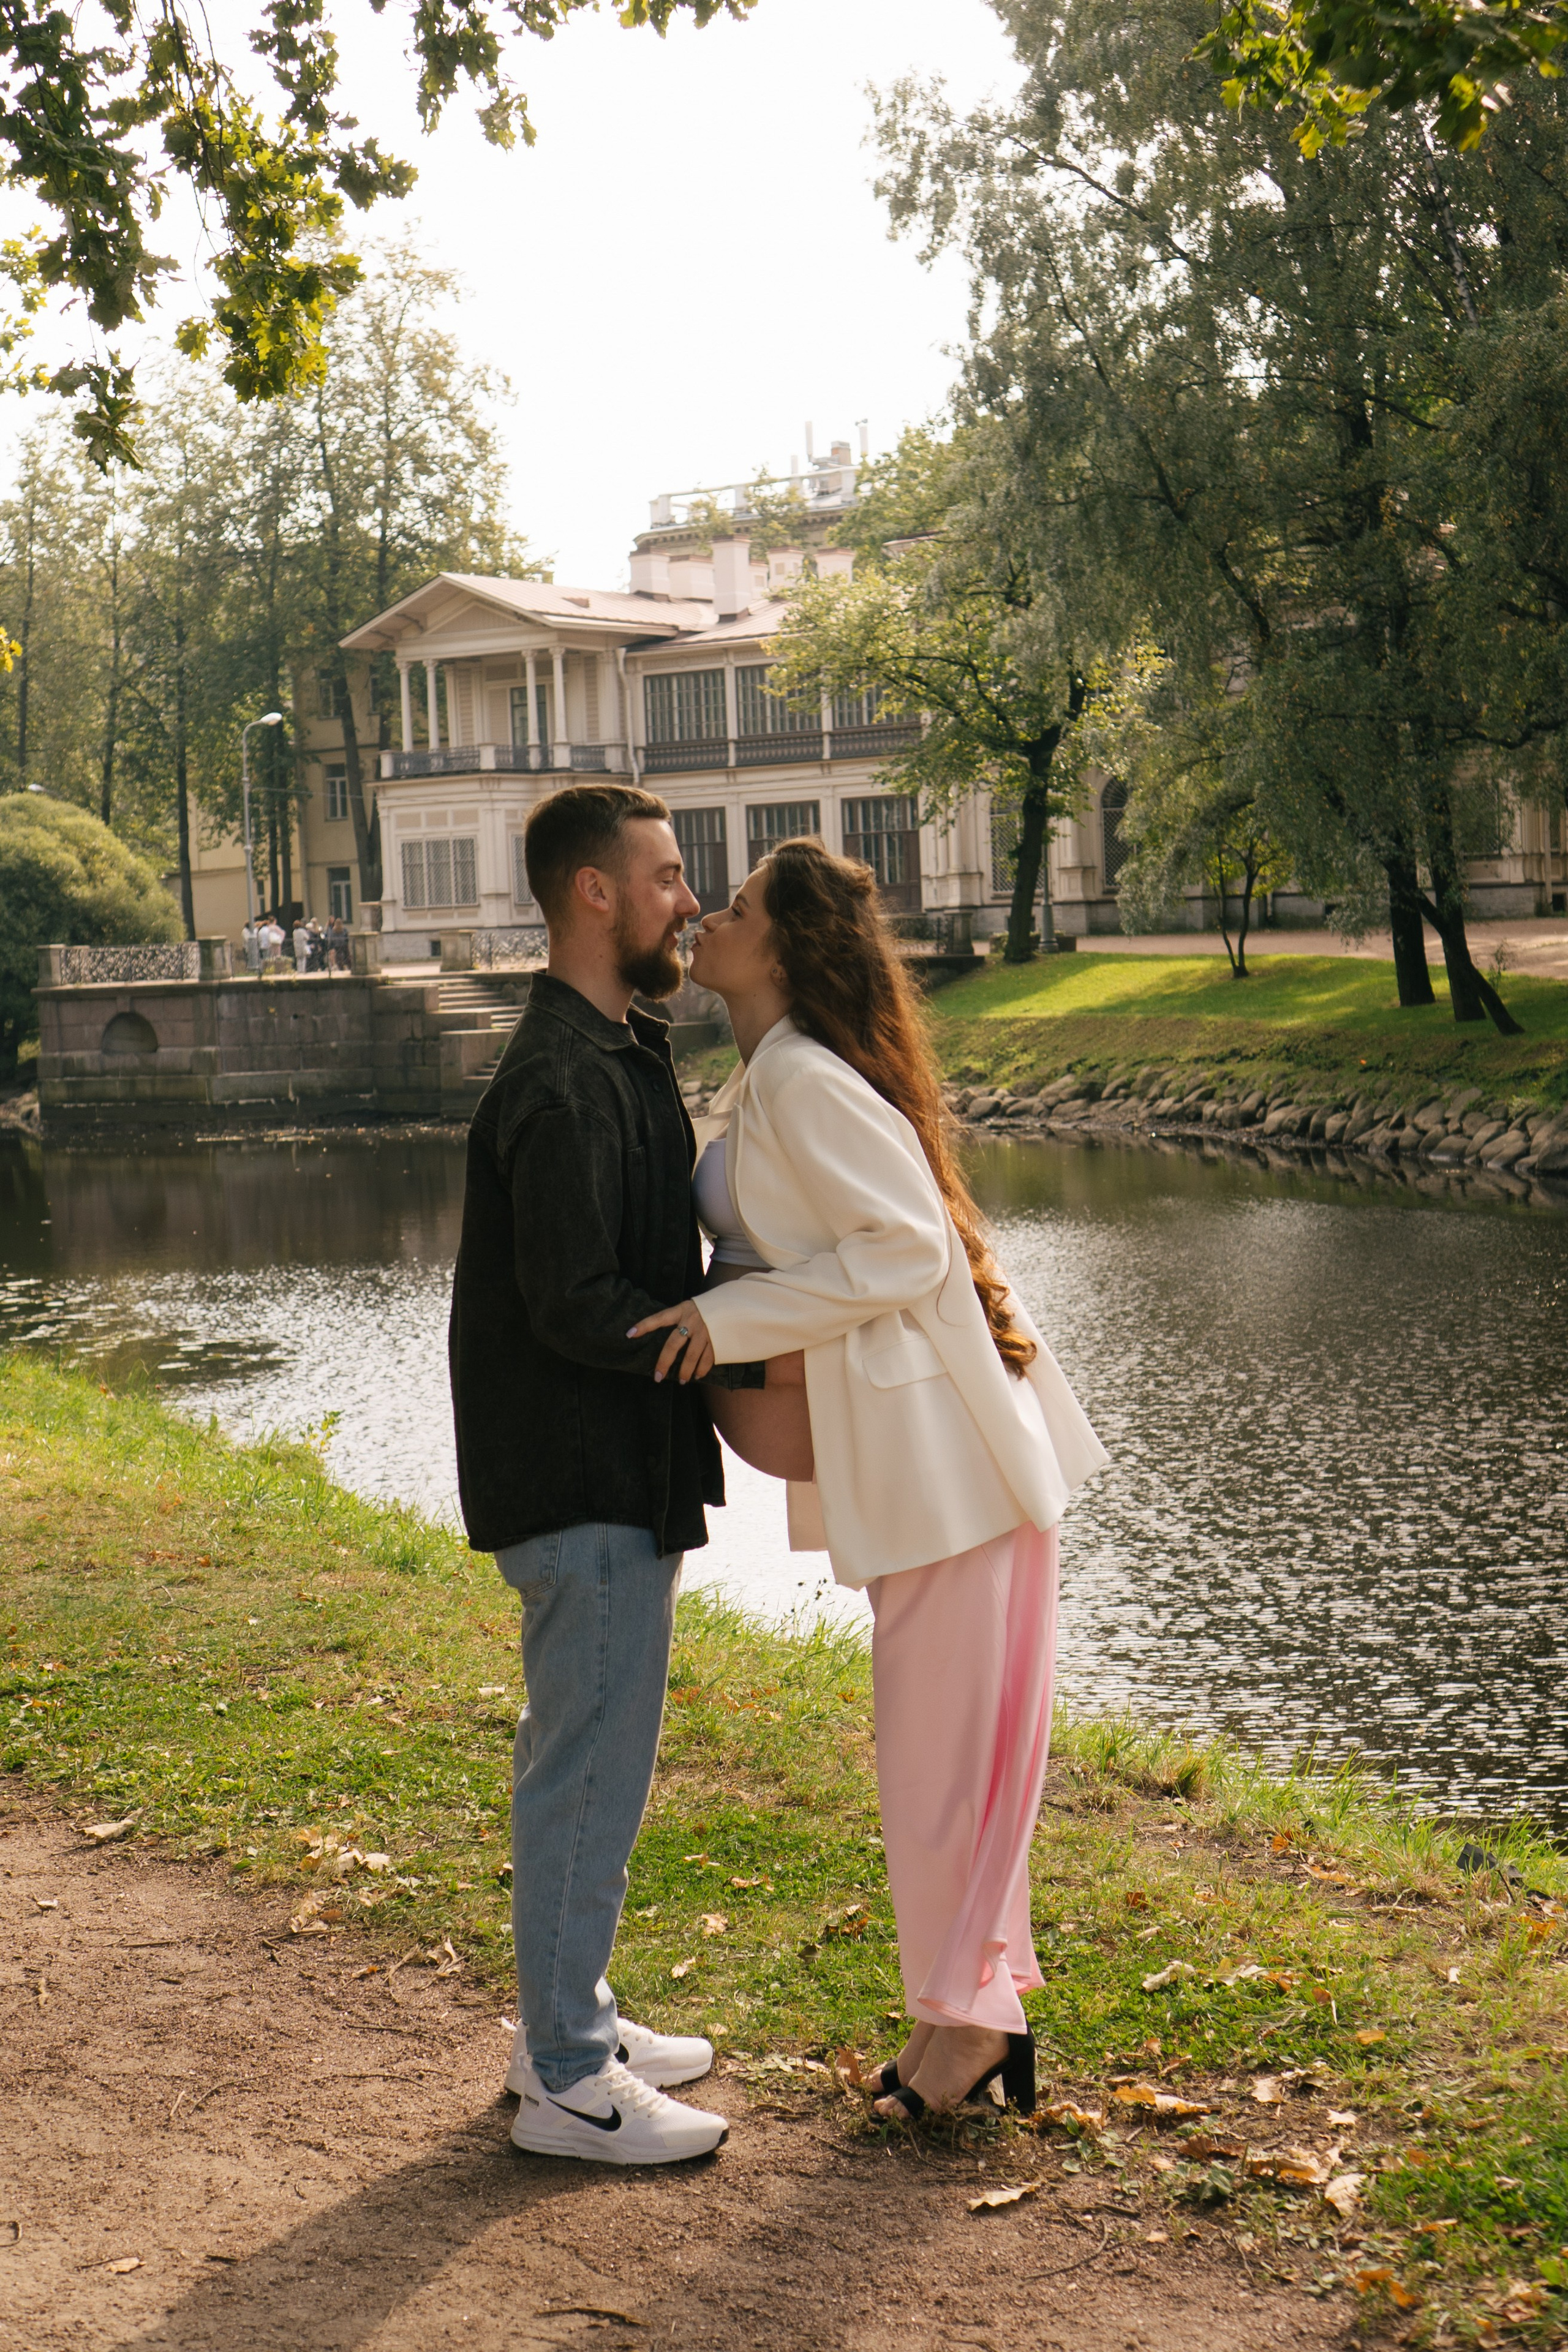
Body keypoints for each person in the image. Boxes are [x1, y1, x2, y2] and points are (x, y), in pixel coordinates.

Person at [630, 840, 1109, 2124]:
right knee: (948, 1766)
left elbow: (901, 1251)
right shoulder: (776, 1072)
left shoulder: (797, 1078)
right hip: (935, 1475)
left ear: (779, 949)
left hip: (949, 1472)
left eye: (729, 909)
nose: (704, 920)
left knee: (941, 1769)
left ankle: (960, 2033)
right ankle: (966, 2017)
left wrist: (722, 1325)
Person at [448, 782, 736, 2167]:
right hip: (578, 1480)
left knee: (595, 1764)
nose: (690, 898)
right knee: (583, 1773)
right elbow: (572, 1301)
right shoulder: (563, 1076)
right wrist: (721, 1337)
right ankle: (567, 2078)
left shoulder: (612, 1044)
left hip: (616, 1469)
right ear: (594, 894)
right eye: (670, 875)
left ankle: (567, 2024)